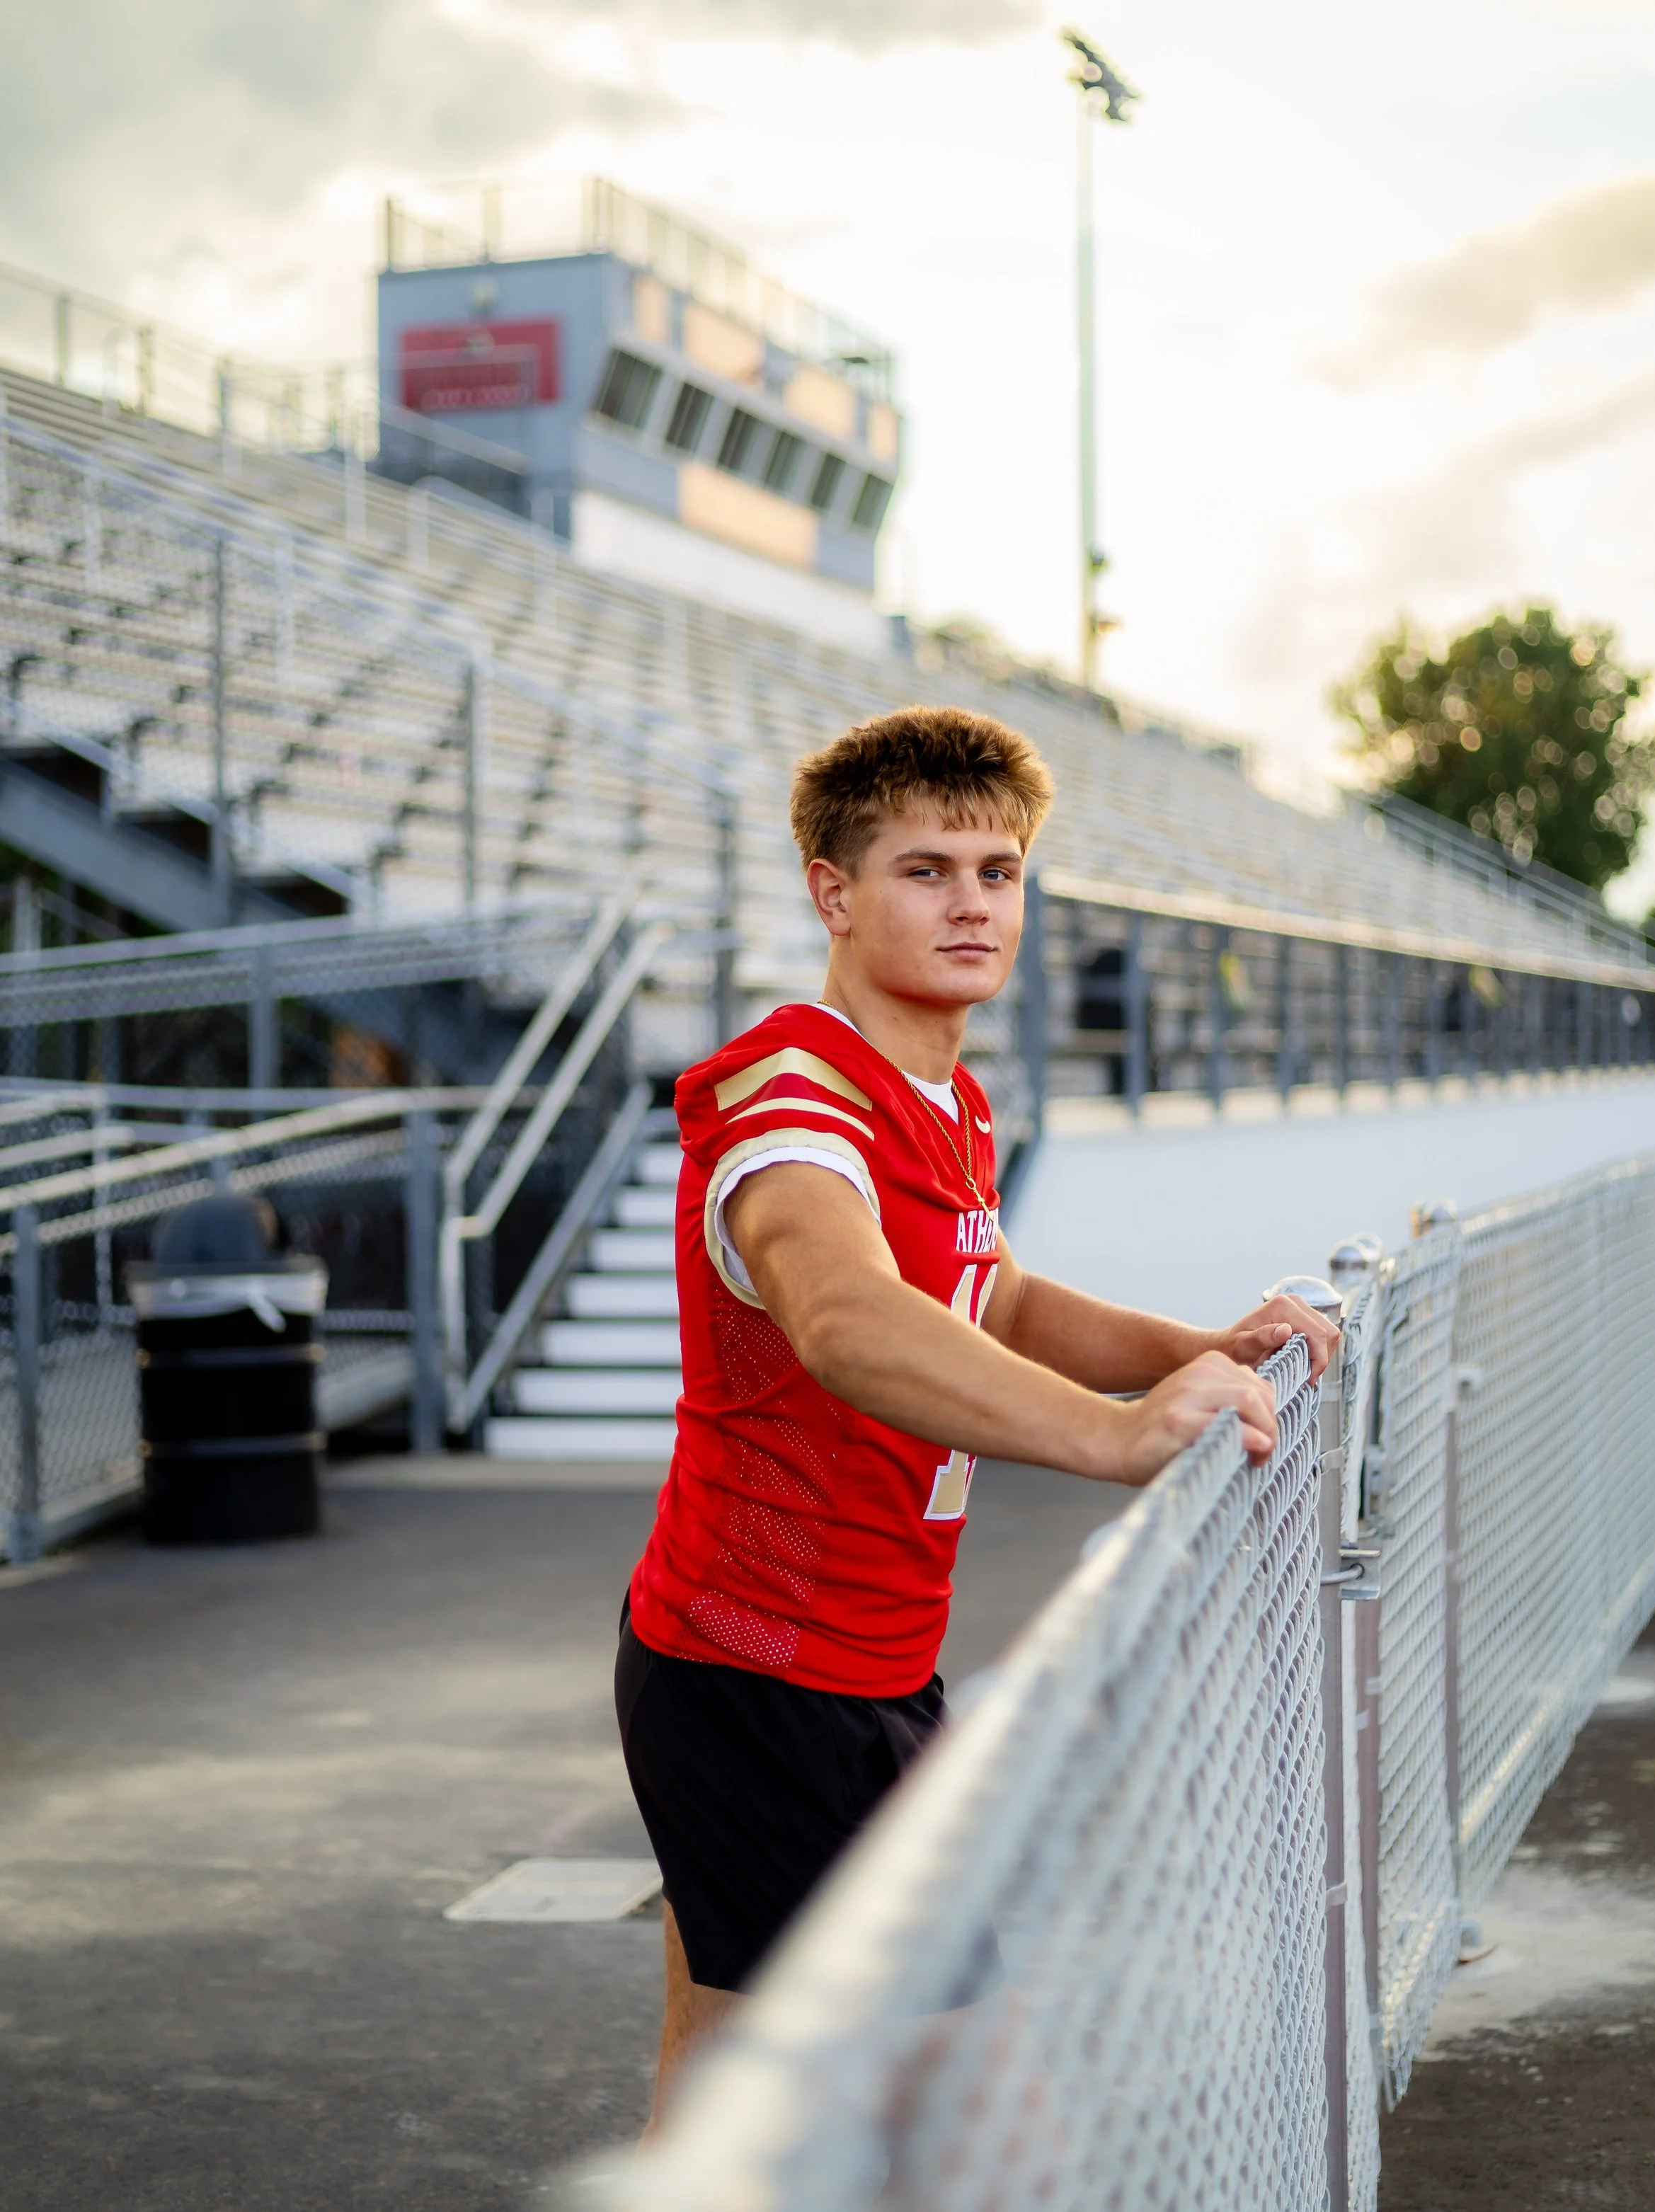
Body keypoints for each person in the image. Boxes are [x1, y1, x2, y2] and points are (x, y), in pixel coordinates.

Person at [615, 704, 1337, 2126]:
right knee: (958, 2087)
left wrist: (1188, 1345)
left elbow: (984, 1294)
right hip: (761, 1674)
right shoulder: (788, 1101)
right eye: (925, 869)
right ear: (833, 890)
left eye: (997, 871)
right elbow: (843, 1316)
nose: (970, 904)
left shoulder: (943, 1096)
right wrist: (1112, 1433)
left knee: (718, 2076)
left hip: (849, 1662)